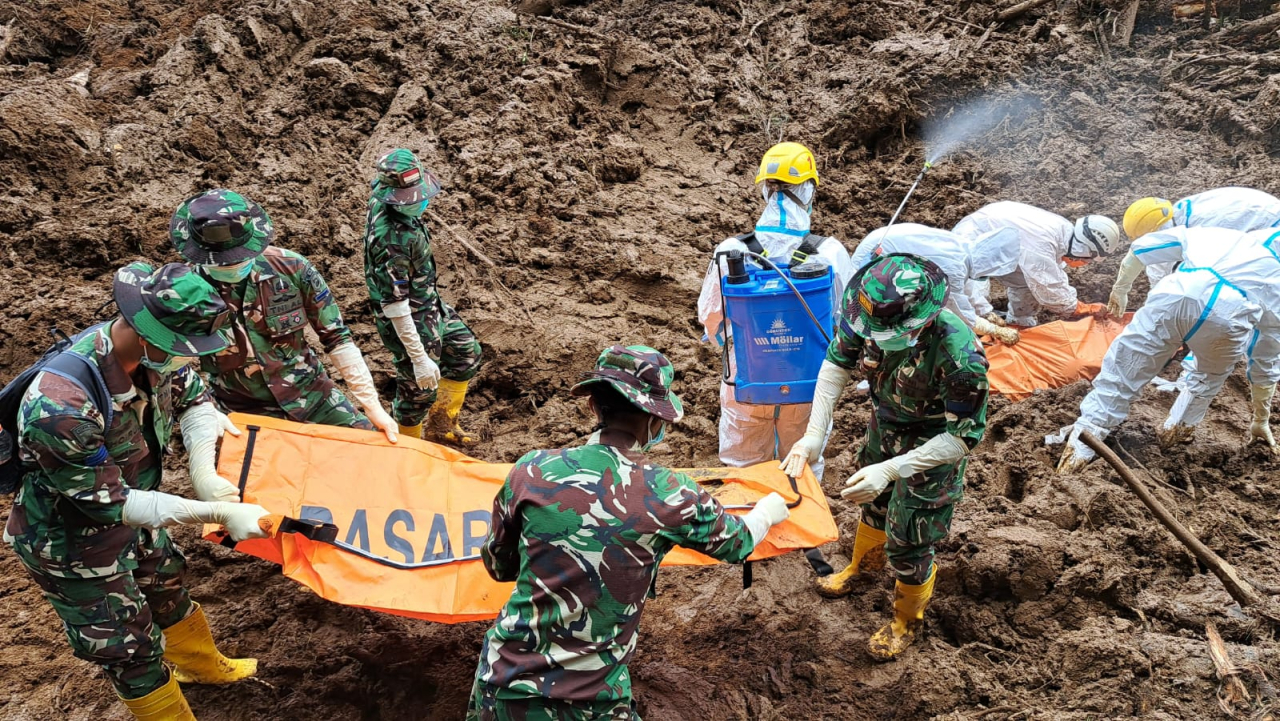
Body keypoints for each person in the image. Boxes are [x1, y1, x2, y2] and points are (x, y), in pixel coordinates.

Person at [3, 262, 272, 719]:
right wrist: (216, 513)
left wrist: (204, 472)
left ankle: (203, 668)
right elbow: (111, 503)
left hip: (141, 515)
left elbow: (195, 400)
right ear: (146, 334)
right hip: (73, 543)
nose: (189, 359)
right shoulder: (60, 409)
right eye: (182, 349)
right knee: (127, 645)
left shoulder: (154, 357)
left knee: (167, 586)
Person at [469, 345, 790, 719]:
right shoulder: (669, 491)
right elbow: (738, 542)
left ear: (593, 406)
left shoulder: (530, 470)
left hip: (502, 683)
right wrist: (767, 511)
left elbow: (499, 566)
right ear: (656, 421)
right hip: (592, 699)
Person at [780, 254, 990, 660]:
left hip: (933, 446)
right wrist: (813, 436)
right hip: (885, 427)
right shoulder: (867, 315)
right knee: (873, 503)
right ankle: (863, 568)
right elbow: (835, 366)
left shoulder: (960, 357)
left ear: (921, 320)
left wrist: (893, 469)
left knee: (911, 534)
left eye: (891, 333)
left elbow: (964, 437)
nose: (878, 338)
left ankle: (907, 620)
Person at [169, 189, 399, 445]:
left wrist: (371, 404)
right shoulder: (181, 293)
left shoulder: (292, 268)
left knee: (374, 449)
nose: (233, 265)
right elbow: (170, 363)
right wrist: (204, 410)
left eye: (239, 258)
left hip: (314, 397)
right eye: (223, 262)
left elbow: (337, 337)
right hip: (240, 410)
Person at [1057, 227, 1280, 471]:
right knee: (1206, 380)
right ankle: (1171, 439)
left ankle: (1077, 453)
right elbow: (1265, 358)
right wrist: (1260, 419)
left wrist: (1121, 289)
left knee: (1122, 373)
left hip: (1173, 296)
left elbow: (1141, 249)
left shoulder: (1221, 234)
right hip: (1228, 318)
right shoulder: (1276, 279)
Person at [697, 141, 856, 479]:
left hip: (747, 381)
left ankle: (750, 513)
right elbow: (849, 318)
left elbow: (710, 316)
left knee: (744, 470)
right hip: (809, 383)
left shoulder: (731, 250)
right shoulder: (829, 252)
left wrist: (733, 341)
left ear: (765, 190)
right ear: (809, 189)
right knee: (803, 466)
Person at [363, 149, 484, 445]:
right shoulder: (391, 241)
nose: (418, 202)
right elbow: (395, 305)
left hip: (427, 301)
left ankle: (442, 425)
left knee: (466, 353)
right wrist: (418, 357)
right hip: (409, 317)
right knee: (418, 392)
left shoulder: (388, 202)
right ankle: (407, 448)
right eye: (409, 199)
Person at [951, 201, 1121, 326]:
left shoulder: (1063, 232)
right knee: (970, 304)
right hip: (974, 238)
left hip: (1002, 239)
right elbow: (1049, 289)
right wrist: (1083, 308)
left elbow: (1046, 276)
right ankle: (975, 337)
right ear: (1083, 250)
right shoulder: (1043, 244)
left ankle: (1019, 321)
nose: (1085, 264)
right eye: (1087, 260)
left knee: (1027, 283)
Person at [850, 222, 1021, 344]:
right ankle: (877, 342)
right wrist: (995, 331)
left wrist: (986, 312)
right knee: (887, 308)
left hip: (883, 240)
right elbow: (961, 313)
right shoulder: (953, 268)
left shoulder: (964, 250)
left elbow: (966, 287)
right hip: (875, 259)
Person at [1119, 186, 1280, 291]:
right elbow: (1159, 270)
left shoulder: (1207, 225)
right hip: (1259, 213)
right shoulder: (1180, 214)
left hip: (1269, 228)